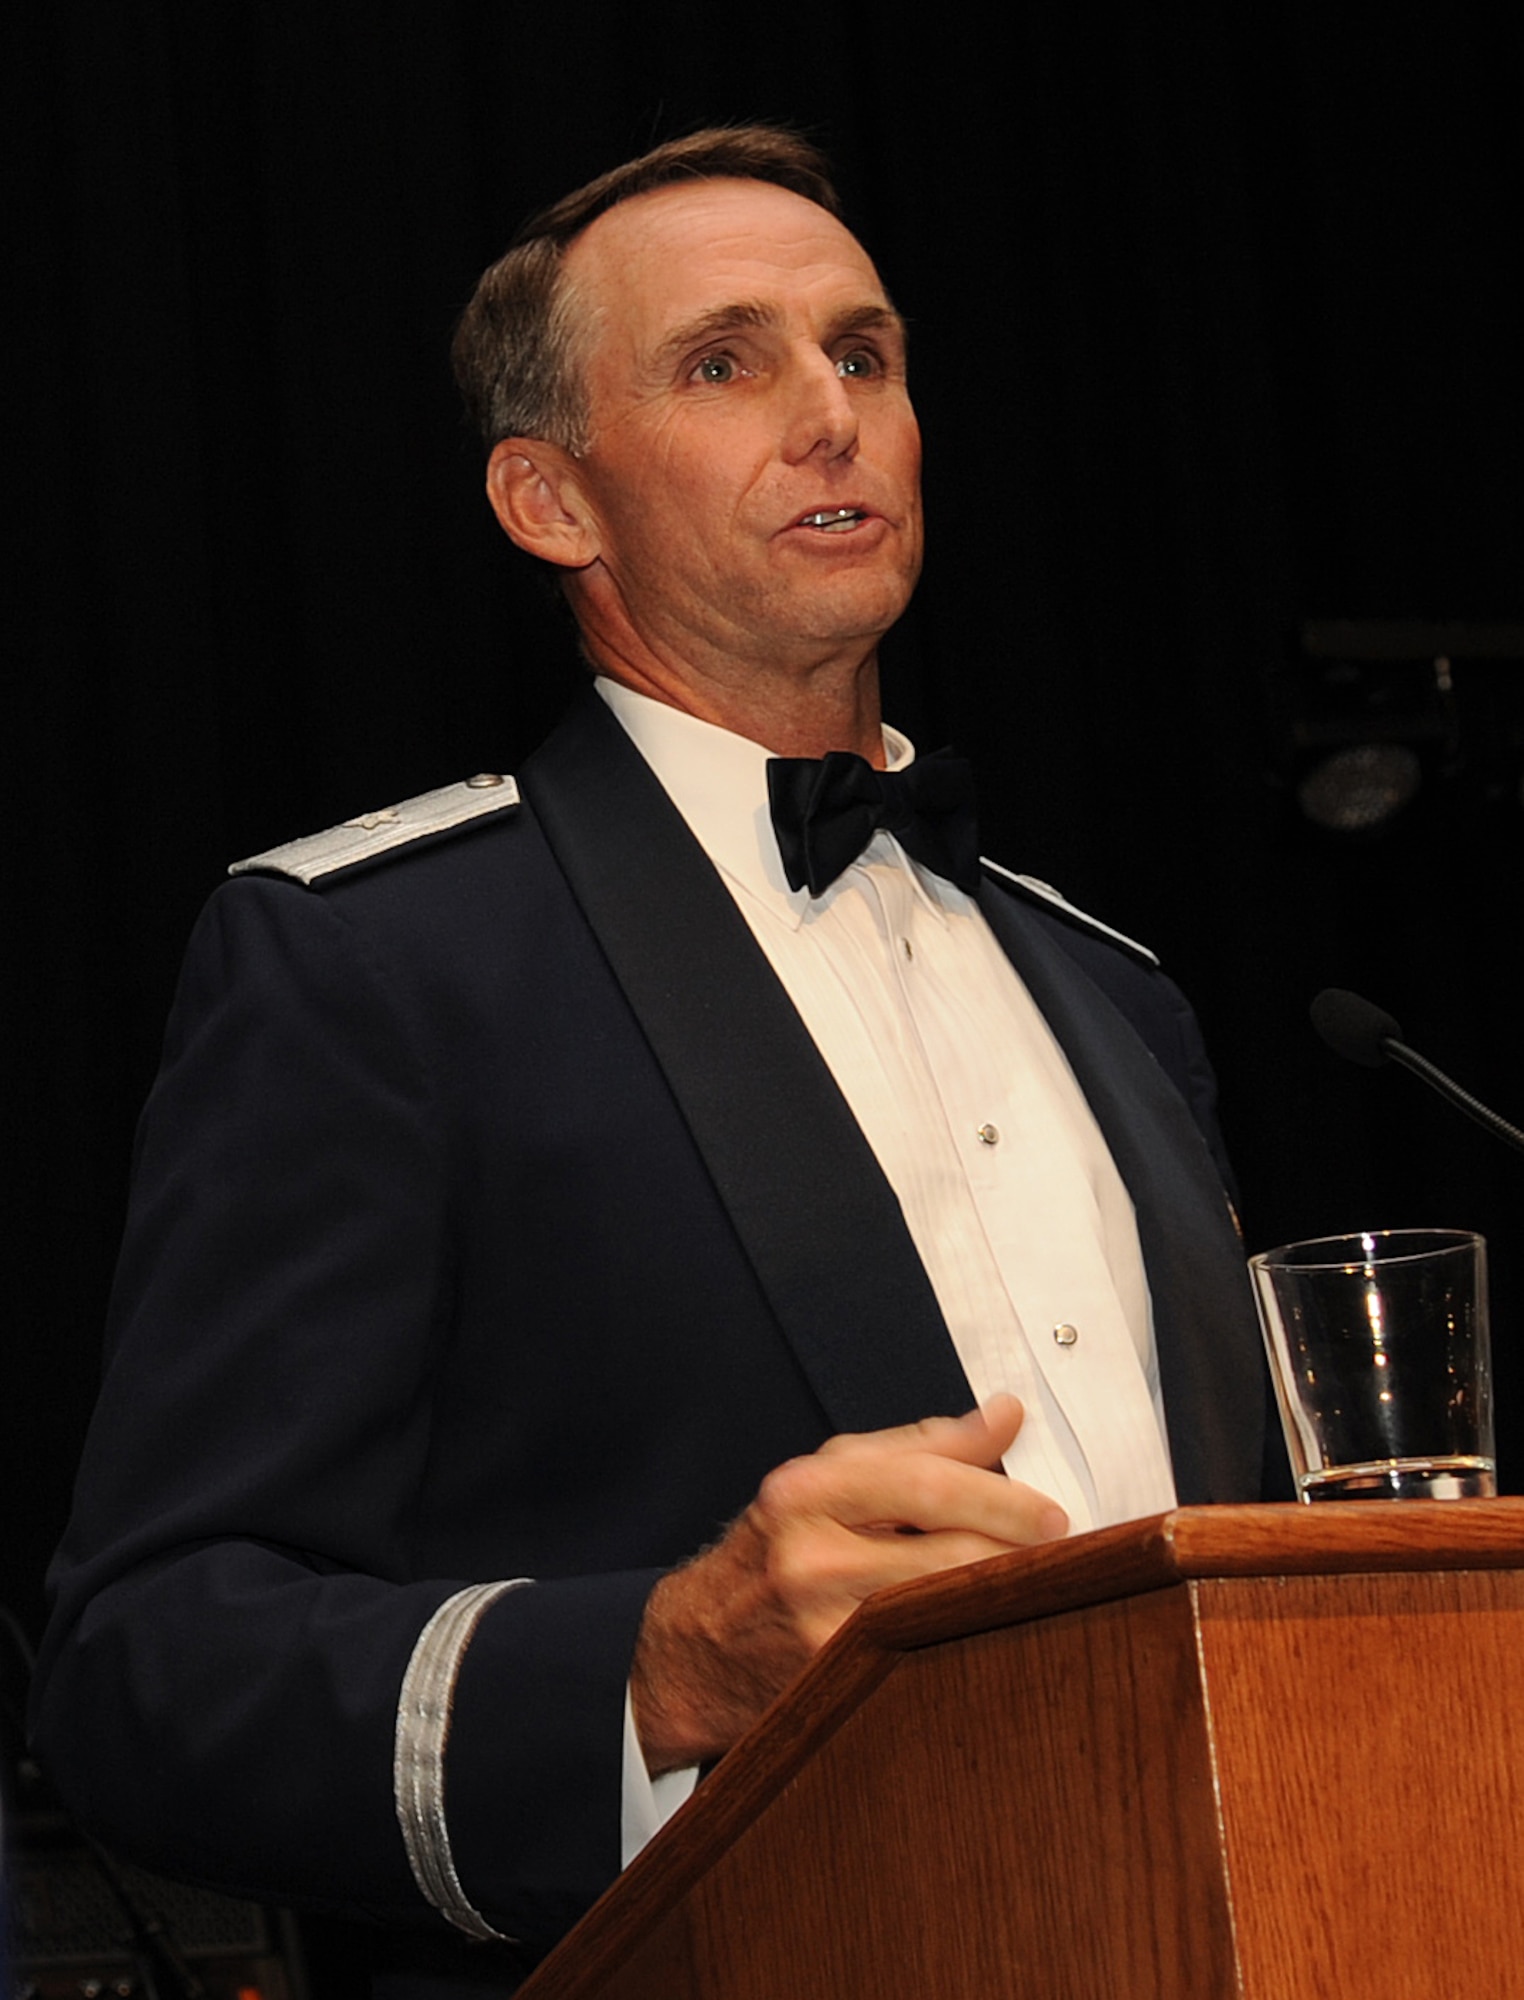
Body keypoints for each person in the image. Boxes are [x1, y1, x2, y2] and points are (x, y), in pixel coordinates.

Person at [31, 127, 1283, 1995]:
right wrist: (650, 1671)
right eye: (724, 364)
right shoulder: (374, 962)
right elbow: (148, 1668)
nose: (832, 415)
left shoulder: (1117, 987)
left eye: (864, 353)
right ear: (551, 500)